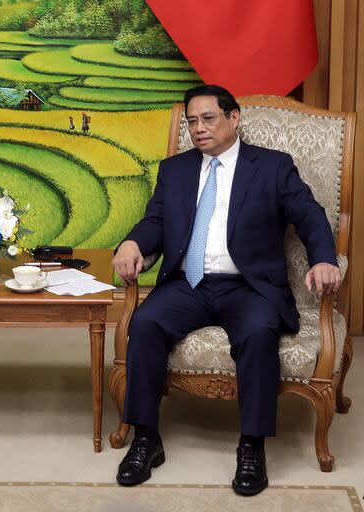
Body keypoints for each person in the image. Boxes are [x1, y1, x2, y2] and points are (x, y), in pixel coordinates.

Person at [111, 84, 341, 496]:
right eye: (192, 121)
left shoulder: (271, 167)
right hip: (189, 284)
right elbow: (155, 221)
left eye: (209, 118)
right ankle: (146, 439)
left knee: (256, 333)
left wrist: (324, 258)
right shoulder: (176, 170)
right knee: (144, 324)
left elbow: (309, 215)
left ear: (234, 118)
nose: (199, 129)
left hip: (248, 286)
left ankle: (251, 446)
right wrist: (132, 242)